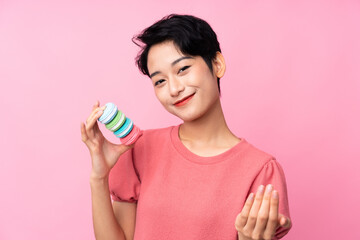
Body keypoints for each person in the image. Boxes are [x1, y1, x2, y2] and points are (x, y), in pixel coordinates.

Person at [81, 14, 292, 240]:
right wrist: (99, 178)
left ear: (217, 64)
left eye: (182, 69)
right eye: (160, 81)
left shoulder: (261, 170)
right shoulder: (140, 149)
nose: (174, 89)